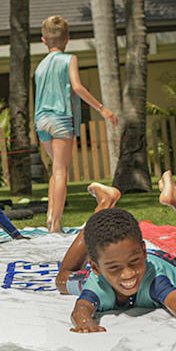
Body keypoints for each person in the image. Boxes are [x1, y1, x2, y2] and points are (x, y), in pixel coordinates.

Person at [57, 170, 176, 334]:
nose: (128, 273)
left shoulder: (155, 280)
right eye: (115, 267)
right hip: (114, 265)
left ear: (144, 252)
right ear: (96, 269)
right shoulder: (96, 285)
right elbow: (80, 310)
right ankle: (104, 205)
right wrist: (85, 323)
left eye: (133, 262)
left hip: (165, 265)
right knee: (62, 281)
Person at [33, 14, 117, 234]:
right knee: (61, 170)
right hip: (60, 118)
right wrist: (103, 109)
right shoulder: (69, 59)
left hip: (41, 120)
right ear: (67, 39)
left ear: (44, 40)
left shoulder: (40, 67)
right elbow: (77, 88)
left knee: (55, 169)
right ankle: (56, 225)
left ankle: (50, 218)